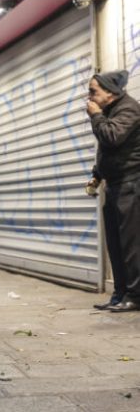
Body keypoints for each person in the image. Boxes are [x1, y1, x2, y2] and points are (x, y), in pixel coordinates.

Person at [86, 70, 140, 312]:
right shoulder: (112, 110)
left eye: (93, 92)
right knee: (115, 244)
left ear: (110, 92)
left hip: (131, 184)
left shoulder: (129, 109)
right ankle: (120, 293)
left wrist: (96, 117)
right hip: (115, 184)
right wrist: (98, 174)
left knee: (131, 245)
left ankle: (135, 296)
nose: (89, 97)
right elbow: (109, 151)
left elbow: (112, 137)